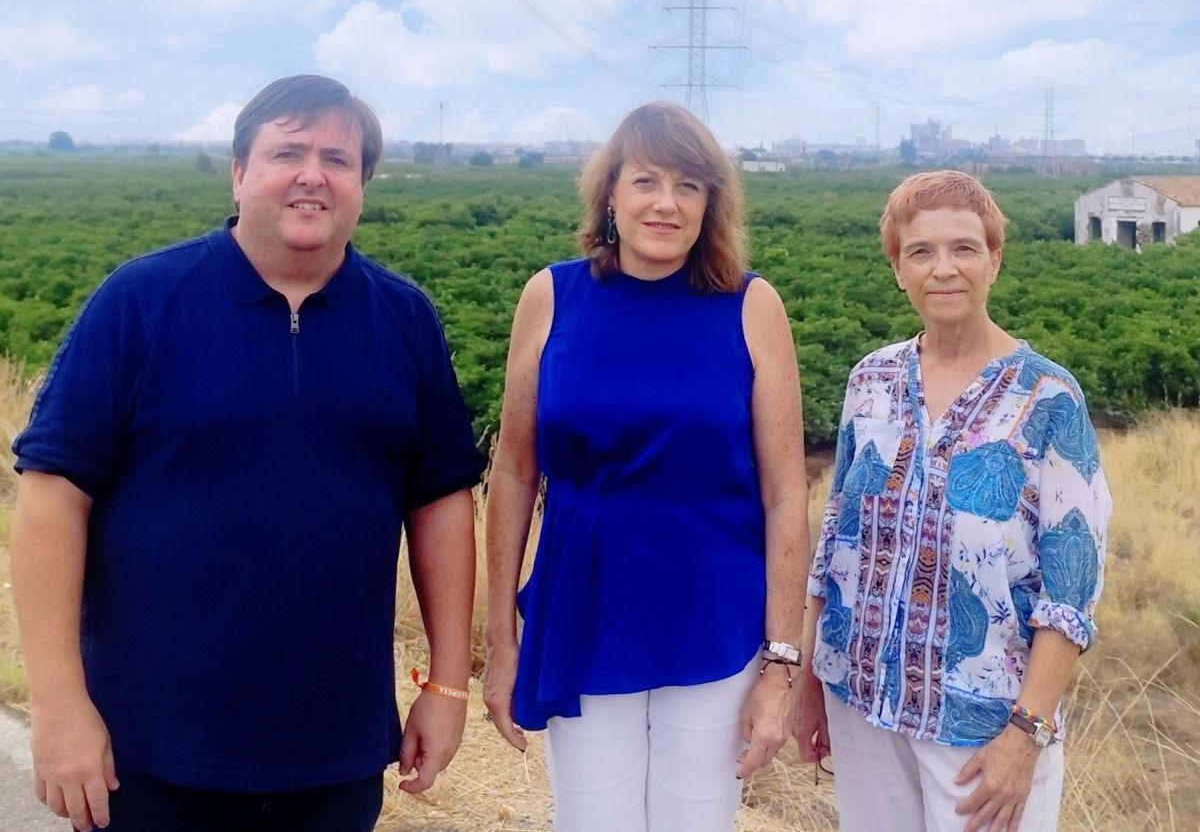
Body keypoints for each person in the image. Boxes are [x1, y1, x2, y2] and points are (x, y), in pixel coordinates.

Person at [11, 75, 485, 832]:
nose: (312, 174)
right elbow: (51, 499)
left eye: (337, 157)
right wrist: (60, 705)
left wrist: (448, 686)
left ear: (361, 183)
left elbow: (440, 502)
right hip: (149, 747)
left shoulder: (403, 319)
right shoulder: (140, 302)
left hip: (335, 749)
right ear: (239, 173)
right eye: (287, 151)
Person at [483, 101, 810, 832]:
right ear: (610, 194)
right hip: (584, 609)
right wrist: (499, 640)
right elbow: (512, 470)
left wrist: (783, 664)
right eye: (646, 181)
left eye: (689, 186)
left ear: (710, 205)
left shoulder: (750, 306)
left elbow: (787, 492)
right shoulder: (551, 296)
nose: (666, 202)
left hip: (713, 617)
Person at [794, 170, 1111, 832]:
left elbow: (1071, 587)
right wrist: (809, 685)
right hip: (863, 703)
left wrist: (1027, 731)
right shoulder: (871, 379)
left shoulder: (1050, 398)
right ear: (897, 269)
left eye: (964, 248)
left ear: (994, 259)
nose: (944, 269)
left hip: (985, 725)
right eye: (921, 252)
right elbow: (834, 545)